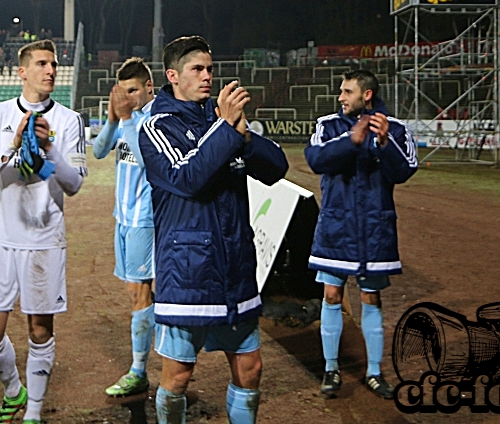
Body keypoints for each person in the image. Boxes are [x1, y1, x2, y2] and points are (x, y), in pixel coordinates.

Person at [138, 36, 288, 424]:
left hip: (235, 269)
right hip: (188, 270)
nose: (207, 76)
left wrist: (245, 136)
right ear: (172, 76)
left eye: (210, 69)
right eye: (197, 69)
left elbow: (276, 170)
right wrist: (225, 129)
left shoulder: (223, 125)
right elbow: (188, 178)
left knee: (250, 368)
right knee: (178, 376)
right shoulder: (157, 126)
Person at [0, 39, 88, 424]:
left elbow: (74, 184)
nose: (50, 70)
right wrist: (13, 145)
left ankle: (33, 414)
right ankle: (14, 392)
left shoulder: (70, 121)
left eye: (53, 64)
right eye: (41, 64)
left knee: (39, 329)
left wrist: (50, 155)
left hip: (44, 240)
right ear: (22, 72)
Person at [304, 69, 417, 400]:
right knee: (331, 296)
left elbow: (405, 170)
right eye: (341, 91)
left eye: (347, 91)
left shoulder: (395, 129)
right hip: (336, 229)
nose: (341, 97)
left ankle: (374, 372)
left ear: (366, 94)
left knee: (371, 298)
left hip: (374, 231)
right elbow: (316, 159)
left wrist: (384, 143)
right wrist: (351, 140)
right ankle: (331, 369)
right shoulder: (329, 125)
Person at [92, 57, 156, 398]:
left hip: (144, 219)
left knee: (138, 292)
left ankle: (139, 370)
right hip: (122, 217)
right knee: (141, 293)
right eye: (124, 92)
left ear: (149, 87)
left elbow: (147, 159)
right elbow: (101, 151)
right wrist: (111, 119)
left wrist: (127, 118)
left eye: (134, 90)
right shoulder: (126, 118)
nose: (128, 97)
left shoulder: (158, 118)